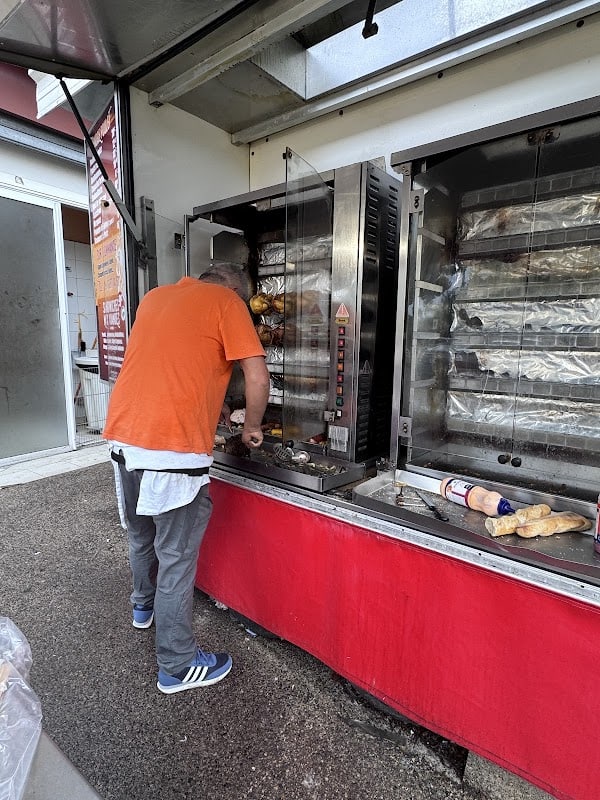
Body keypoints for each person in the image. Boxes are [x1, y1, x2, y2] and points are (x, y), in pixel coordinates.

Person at [102, 265, 269, 694]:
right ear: (234, 289)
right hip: (170, 454)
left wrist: (215, 415)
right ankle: (176, 665)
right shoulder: (228, 303)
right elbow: (256, 375)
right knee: (175, 558)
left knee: (140, 535)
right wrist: (252, 426)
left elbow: (182, 372)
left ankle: (142, 607)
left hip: (124, 441)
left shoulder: (156, 298)